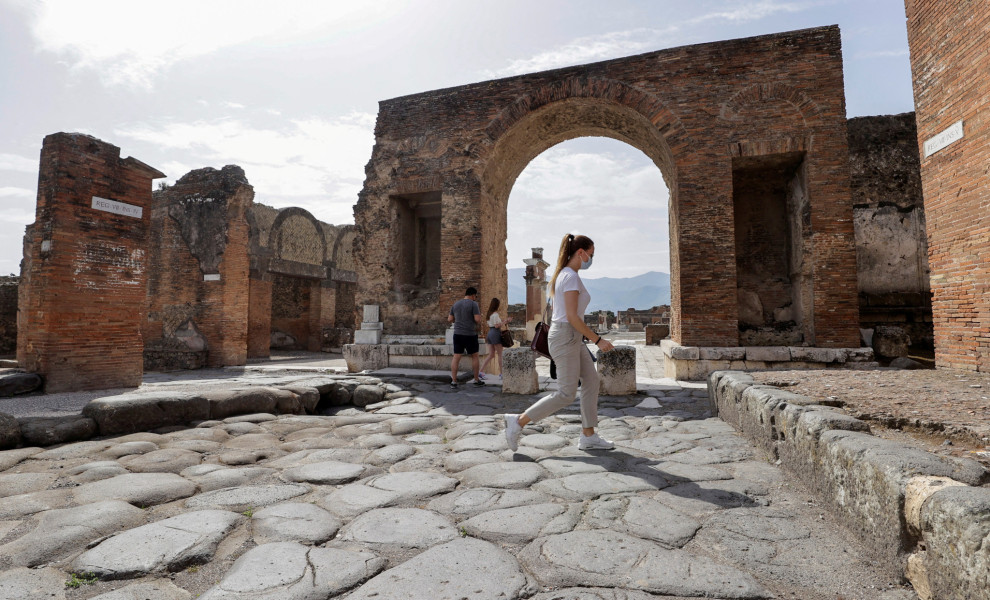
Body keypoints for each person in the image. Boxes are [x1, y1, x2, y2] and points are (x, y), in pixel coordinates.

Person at [504, 233, 615, 451]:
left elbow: (568, 315)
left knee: (591, 381)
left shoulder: (564, 275)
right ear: (580, 253)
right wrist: (598, 340)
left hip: (571, 336)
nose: (591, 259)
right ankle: (517, 422)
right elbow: (572, 317)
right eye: (591, 254)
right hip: (566, 336)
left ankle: (588, 436)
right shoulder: (570, 277)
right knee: (566, 393)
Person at [448, 286, 485, 388]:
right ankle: (476, 380)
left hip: (457, 334)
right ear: (473, 295)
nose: (475, 298)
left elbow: (450, 319)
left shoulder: (456, 304)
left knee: (456, 357)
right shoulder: (473, 304)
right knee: (475, 356)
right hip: (470, 334)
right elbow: (477, 319)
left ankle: (454, 381)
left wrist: (458, 320)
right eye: (475, 296)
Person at [479, 297, 512, 380]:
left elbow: (494, 323)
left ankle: (481, 371)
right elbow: (497, 325)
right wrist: (506, 321)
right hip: (495, 333)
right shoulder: (495, 314)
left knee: (491, 355)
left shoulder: (489, 314)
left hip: (490, 333)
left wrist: (504, 321)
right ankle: (502, 374)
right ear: (497, 305)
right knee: (500, 354)